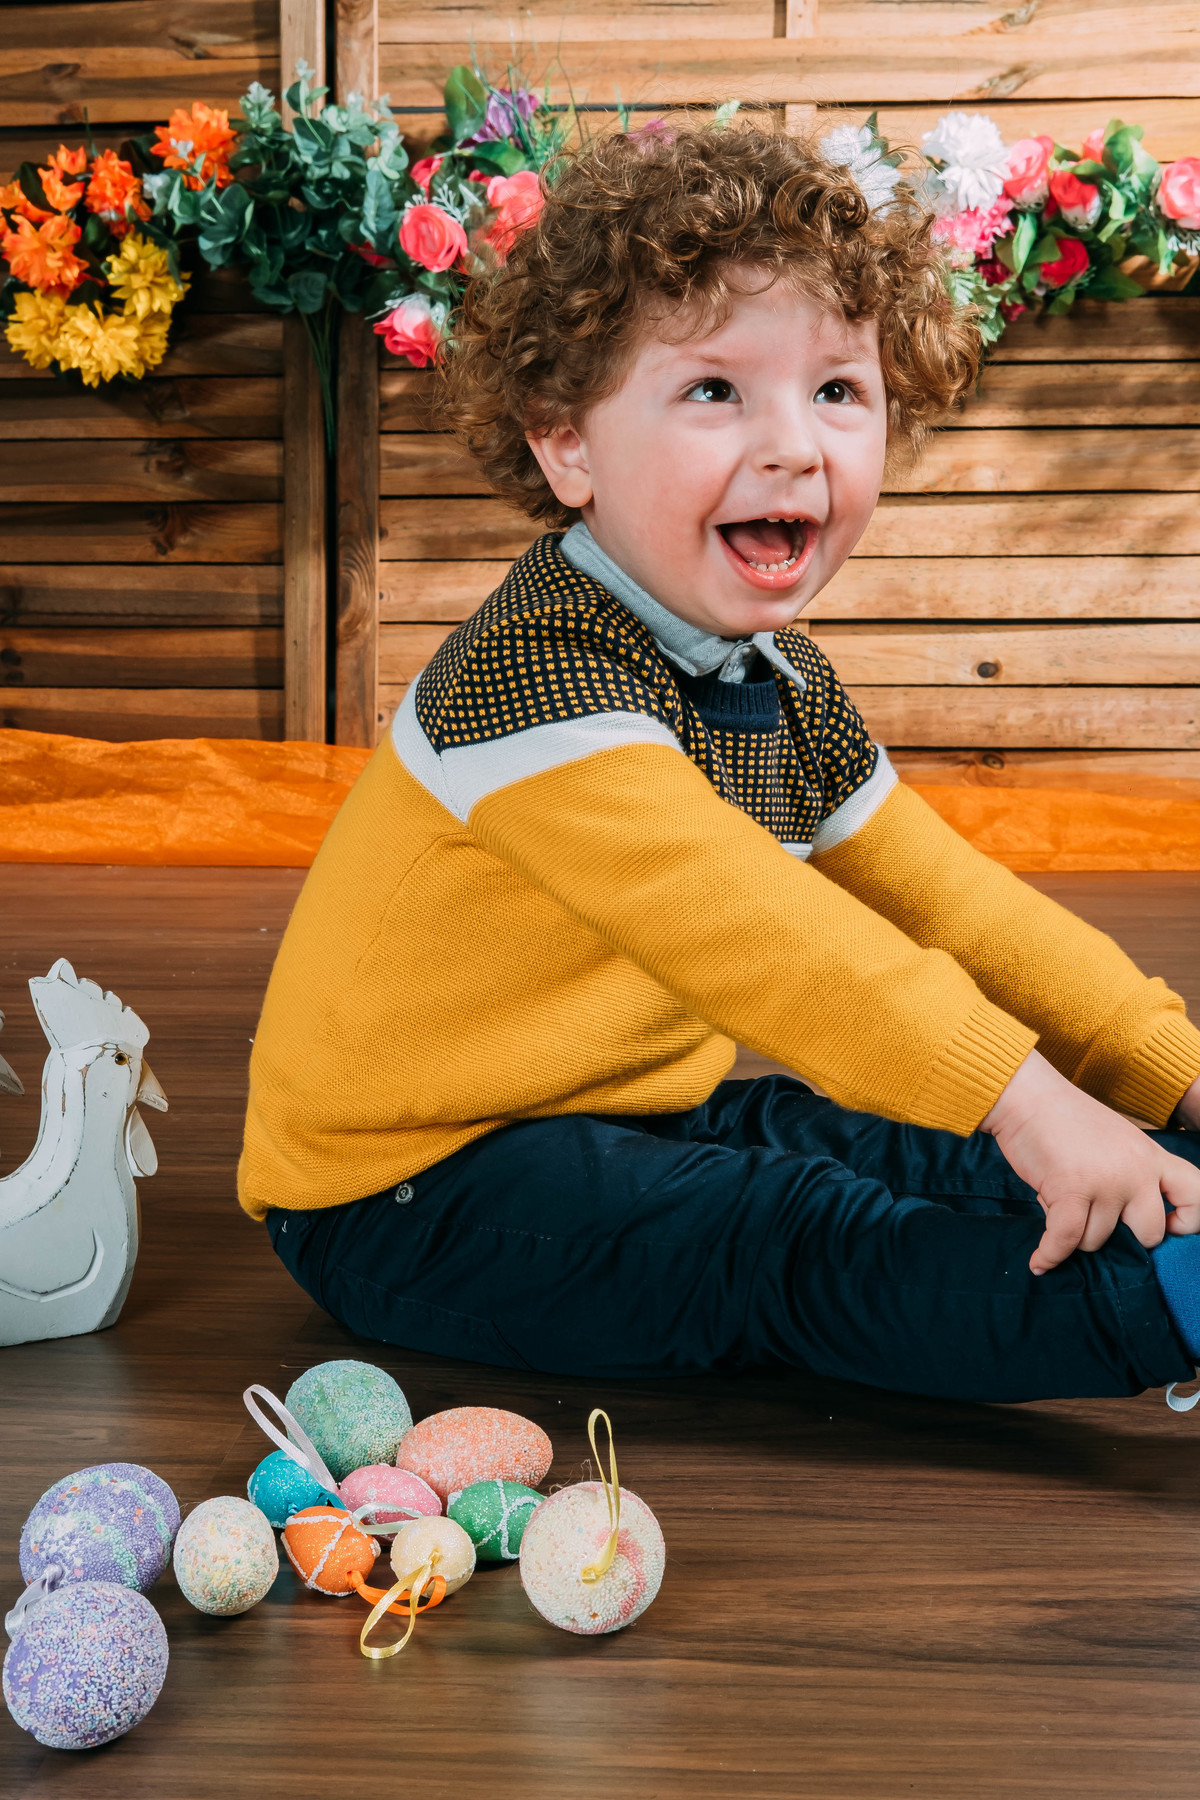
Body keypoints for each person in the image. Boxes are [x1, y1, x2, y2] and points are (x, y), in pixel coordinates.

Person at [239, 122, 1200, 1404]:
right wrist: (1033, 1105)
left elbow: (957, 907)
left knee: (884, 1139)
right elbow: (771, 940)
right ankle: (1168, 1304)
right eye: (714, 391)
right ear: (565, 442)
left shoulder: (781, 685)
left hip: (623, 1109)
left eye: (838, 392)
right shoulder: (535, 678)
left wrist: (1169, 1077)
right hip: (407, 1190)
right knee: (784, 1232)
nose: (794, 445)